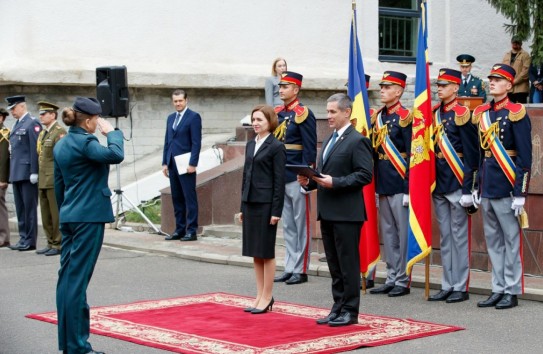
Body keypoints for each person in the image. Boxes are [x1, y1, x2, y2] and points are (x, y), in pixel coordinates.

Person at [54, 97, 124, 354]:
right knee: (77, 282)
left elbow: (60, 187)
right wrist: (114, 133)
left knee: (67, 280)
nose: (99, 124)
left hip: (70, 216)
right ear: (88, 120)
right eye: (97, 120)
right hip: (88, 218)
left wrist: (67, 211)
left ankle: (69, 343)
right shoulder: (86, 142)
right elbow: (115, 155)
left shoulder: (62, 144)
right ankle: (77, 347)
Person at [298, 93, 373, 327]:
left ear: (346, 112)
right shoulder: (330, 138)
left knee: (348, 264)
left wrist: (335, 182)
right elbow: (322, 173)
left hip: (347, 213)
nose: (328, 116)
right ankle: (337, 306)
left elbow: (365, 175)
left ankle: (350, 311)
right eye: (327, 111)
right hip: (328, 211)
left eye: (332, 112)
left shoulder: (357, 140)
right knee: (334, 264)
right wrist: (309, 182)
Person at [473, 64, 532, 309]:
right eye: (491, 79)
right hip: (487, 184)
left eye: (498, 79)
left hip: (507, 186)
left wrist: (520, 192)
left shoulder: (516, 112)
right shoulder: (483, 112)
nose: (493, 82)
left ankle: (512, 289)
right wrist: (477, 185)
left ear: (509, 85)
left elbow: (525, 157)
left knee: (510, 239)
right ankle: (497, 287)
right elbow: (480, 153)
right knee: (493, 241)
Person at [428, 68, 479, 303]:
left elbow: (471, 155)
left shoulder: (463, 114)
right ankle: (447, 283)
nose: (439, 88)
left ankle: (461, 285)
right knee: (445, 238)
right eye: (438, 85)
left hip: (457, 182)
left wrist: (469, 189)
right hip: (438, 182)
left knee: (459, 237)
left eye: (444, 85)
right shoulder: (435, 113)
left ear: (456, 88)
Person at [369, 71, 412, 297]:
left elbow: (413, 155)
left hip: (399, 182)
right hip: (383, 182)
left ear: (399, 91)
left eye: (387, 87)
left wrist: (408, 188)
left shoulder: (406, 116)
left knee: (402, 234)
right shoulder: (379, 117)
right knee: (388, 234)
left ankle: (403, 279)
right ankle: (392, 276)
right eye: (382, 87)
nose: (382, 90)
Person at [240, 105, 286, 314]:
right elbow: (245, 176)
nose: (255, 123)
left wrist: (276, 211)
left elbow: (279, 181)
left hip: (267, 204)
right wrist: (242, 206)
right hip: (250, 203)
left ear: (270, 122)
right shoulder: (251, 144)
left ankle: (267, 297)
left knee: (266, 251)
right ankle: (259, 295)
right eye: (253, 119)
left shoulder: (276, 146)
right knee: (255, 252)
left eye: (260, 119)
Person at [273, 71, 317, 285]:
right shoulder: (278, 112)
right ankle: (290, 266)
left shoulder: (303, 113)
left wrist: (307, 176)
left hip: (296, 175)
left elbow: (309, 147)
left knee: (302, 225)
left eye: (286, 86)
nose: (281, 90)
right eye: (280, 86)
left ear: (296, 89)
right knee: (288, 225)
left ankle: (301, 268)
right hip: (280, 175)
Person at [162, 89, 202, 241]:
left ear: (186, 100)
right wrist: (165, 162)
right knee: (177, 198)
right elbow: (167, 141)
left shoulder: (193, 117)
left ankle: (191, 231)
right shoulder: (170, 118)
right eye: (175, 101)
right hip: (172, 164)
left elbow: (196, 142)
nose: (178, 103)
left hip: (186, 164)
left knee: (189, 197)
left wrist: (193, 163)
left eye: (180, 101)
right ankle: (179, 229)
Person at [6, 95, 41, 252]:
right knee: (21, 208)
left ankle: (30, 240)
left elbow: (35, 149)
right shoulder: (17, 124)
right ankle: (23, 237)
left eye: (14, 108)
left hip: (27, 173)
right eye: (11, 109)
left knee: (29, 208)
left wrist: (34, 171)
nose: (12, 111)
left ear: (22, 106)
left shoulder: (32, 123)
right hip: (17, 172)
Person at [35, 101, 66, 256]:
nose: (41, 116)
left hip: (53, 179)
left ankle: (59, 244)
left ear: (53, 115)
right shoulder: (43, 133)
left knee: (55, 214)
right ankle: (50, 241)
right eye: (40, 113)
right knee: (46, 213)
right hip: (43, 179)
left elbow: (61, 158)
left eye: (44, 113)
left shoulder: (59, 132)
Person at [502, 36, 531, 103]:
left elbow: (525, 72)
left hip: (521, 89)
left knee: (520, 110)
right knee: (509, 110)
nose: (515, 45)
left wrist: (514, 82)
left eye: (517, 43)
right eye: (514, 43)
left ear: (521, 44)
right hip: (509, 88)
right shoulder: (507, 55)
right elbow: (502, 69)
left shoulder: (525, 55)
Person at [0, 108, 10, 248]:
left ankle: (3, 237)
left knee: (0, 208)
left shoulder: (3, 133)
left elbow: (3, 158)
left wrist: (3, 179)